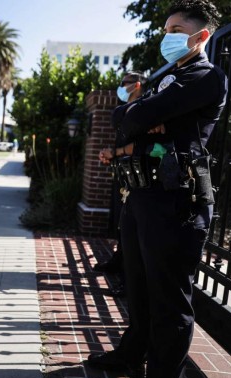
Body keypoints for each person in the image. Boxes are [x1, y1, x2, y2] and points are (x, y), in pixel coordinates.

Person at [87, 2, 228, 378]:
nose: (167, 37)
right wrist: (141, 115)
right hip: (144, 196)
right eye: (165, 29)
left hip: (176, 201)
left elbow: (133, 120)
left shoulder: (205, 76)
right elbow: (126, 120)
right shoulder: (169, 78)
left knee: (169, 300)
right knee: (139, 285)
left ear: (200, 36)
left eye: (176, 29)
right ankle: (132, 353)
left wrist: (140, 116)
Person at [96, 71, 146, 298]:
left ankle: (129, 284)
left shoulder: (145, 109)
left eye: (123, 84)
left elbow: (140, 145)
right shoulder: (128, 110)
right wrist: (112, 154)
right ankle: (117, 262)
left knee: (131, 233)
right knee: (120, 226)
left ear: (136, 85)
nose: (119, 87)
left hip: (139, 178)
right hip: (124, 174)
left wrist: (114, 152)